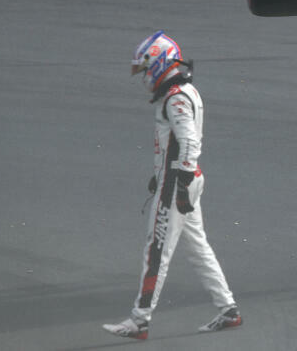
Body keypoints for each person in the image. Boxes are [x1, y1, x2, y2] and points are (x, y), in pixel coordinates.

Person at [103, 31, 241, 340]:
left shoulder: (176, 97)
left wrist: (178, 183)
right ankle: (228, 309)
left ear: (158, 63)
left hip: (177, 183)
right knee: (198, 247)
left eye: (144, 68)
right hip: (183, 179)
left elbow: (189, 142)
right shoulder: (185, 90)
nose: (142, 77)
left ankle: (139, 321)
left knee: (156, 251)